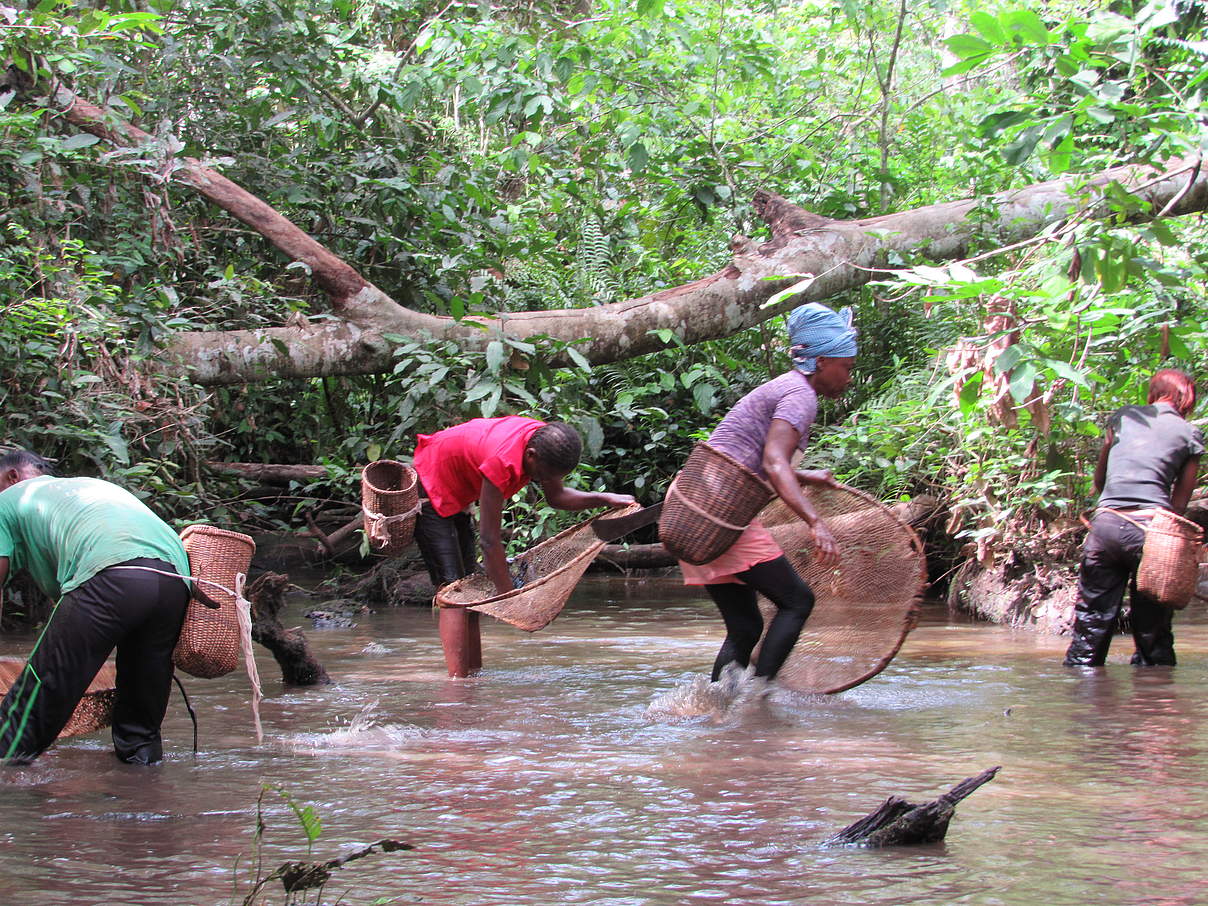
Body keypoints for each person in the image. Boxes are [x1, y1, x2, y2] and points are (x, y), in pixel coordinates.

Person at [677, 302, 855, 688]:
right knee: (798, 601)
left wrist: (807, 476)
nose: (849, 377)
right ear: (823, 361)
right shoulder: (801, 396)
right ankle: (757, 702)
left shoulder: (787, 388)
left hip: (695, 506)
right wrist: (816, 522)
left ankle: (719, 706)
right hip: (721, 510)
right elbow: (774, 463)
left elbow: (760, 460)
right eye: (847, 366)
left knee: (745, 625)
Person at [0, 450, 191, 764]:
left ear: (12, 477)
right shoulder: (83, 488)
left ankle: (7, 772)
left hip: (111, 573)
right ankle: (144, 793)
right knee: (139, 727)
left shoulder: (8, 499)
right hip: (174, 579)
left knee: (33, 701)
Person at [1063, 369, 1203, 667]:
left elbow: (1100, 479)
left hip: (1105, 526)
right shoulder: (1189, 433)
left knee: (1091, 622)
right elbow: (1179, 503)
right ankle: (1153, 697)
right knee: (1153, 629)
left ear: (1153, 392)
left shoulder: (1125, 417)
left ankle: (1081, 695)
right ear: (1187, 398)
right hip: (1150, 531)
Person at [412, 417, 635, 596]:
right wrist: (509, 598)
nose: (543, 480)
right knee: (452, 590)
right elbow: (489, 541)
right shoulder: (501, 461)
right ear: (531, 455)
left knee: (468, 588)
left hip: (459, 490)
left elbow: (557, 497)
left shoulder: (545, 442)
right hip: (431, 480)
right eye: (543, 476)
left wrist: (604, 498)